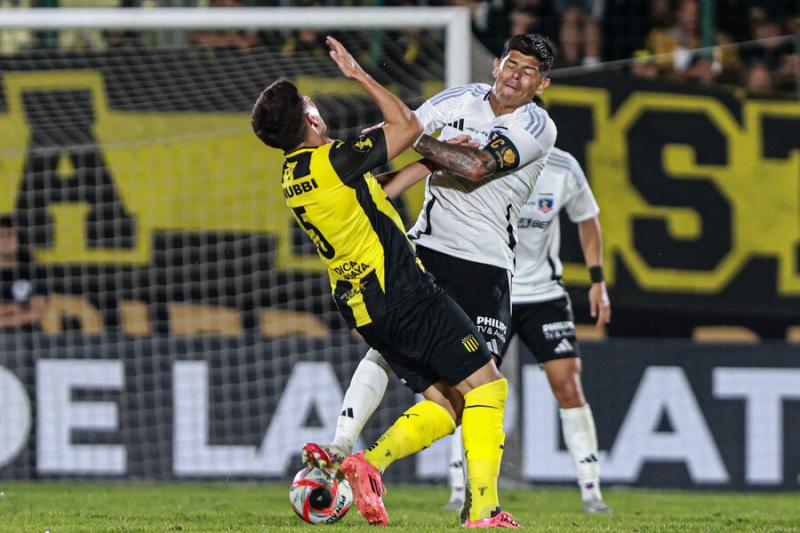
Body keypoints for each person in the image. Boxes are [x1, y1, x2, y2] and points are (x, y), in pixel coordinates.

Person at [251, 36, 519, 528]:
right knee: (488, 387)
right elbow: (409, 126)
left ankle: (367, 463)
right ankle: (484, 511)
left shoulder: (297, 173)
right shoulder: (333, 160)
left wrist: (434, 162)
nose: (315, 105)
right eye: (309, 102)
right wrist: (358, 74)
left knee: (448, 404)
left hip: (364, 309)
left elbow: (377, 192)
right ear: (309, 118)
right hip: (404, 293)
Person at [444, 146, 613, 515]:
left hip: (544, 294)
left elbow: (587, 217)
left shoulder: (563, 166)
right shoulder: (483, 161)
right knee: (468, 389)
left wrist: (598, 280)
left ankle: (592, 491)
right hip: (491, 290)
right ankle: (459, 487)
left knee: (568, 384)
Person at [0, 214, 48, 331]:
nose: (6, 240)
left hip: (28, 337)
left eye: (10, 235)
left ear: (19, 239)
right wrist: (15, 308)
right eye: (1, 236)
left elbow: (38, 311)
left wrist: (3, 320)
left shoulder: (33, 270)